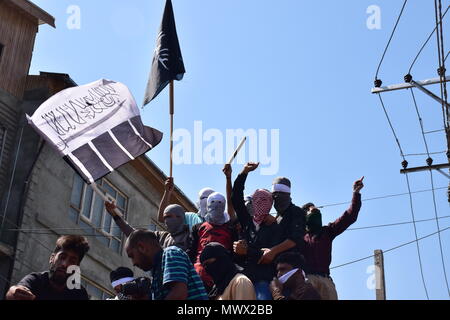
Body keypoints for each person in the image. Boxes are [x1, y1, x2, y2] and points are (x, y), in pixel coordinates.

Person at [301, 176, 364, 300]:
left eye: (315, 208)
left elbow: (350, 216)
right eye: (309, 210)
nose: (314, 210)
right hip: (307, 280)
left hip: (326, 281)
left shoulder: (327, 231)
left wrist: (356, 193)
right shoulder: (299, 237)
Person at [231, 162, 283, 300]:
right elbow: (236, 197)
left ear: (270, 204)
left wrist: (247, 250)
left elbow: (269, 255)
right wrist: (244, 172)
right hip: (242, 277)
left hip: (263, 280)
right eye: (257, 199)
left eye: (264, 200)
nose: (260, 203)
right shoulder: (246, 221)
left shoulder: (274, 228)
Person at [125, 229, 208, 300]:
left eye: (132, 256)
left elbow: (179, 295)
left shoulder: (170, 253)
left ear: (141, 247)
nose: (133, 263)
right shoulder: (156, 272)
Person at [6, 235, 90, 300]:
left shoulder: (79, 294)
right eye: (62, 257)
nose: (65, 264)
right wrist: (14, 291)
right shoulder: (36, 280)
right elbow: (15, 292)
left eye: (72, 261)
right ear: (52, 258)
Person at [190, 192, 238, 292]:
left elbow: (234, 253)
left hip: (223, 278)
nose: (216, 206)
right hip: (199, 276)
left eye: (220, 203)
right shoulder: (198, 228)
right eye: (212, 202)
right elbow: (191, 251)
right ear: (207, 206)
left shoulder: (230, 229)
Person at [105, 198, 191, 251]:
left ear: (180, 217)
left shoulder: (191, 236)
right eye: (165, 218)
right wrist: (115, 215)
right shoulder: (161, 237)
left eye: (169, 217)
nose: (166, 221)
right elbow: (135, 235)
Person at [257, 177, 306, 265]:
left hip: (291, 265)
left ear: (287, 195)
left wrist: (273, 251)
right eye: (274, 194)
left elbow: (295, 238)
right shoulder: (276, 218)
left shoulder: (296, 212)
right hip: (275, 266)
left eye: (280, 194)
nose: (276, 197)